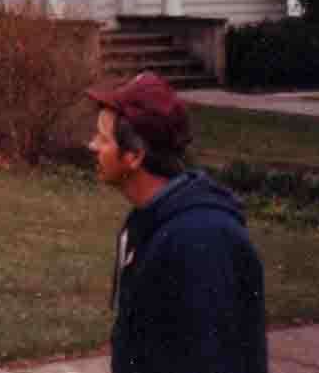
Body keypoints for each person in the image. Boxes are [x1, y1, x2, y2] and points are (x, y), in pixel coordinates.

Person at [85, 72, 267, 373]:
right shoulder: (149, 221)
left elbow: (212, 359)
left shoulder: (201, 240)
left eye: (102, 138)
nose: (92, 146)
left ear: (134, 156)